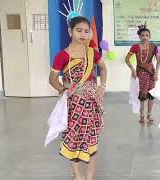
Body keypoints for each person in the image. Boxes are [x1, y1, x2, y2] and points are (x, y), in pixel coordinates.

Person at [49, 16, 107, 180]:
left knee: (92, 143)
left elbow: (103, 69)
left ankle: (88, 178)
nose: (83, 34)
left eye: (86, 31)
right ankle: (78, 177)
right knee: (73, 141)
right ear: (70, 31)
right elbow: (52, 79)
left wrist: (102, 86)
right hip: (73, 106)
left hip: (91, 105)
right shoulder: (62, 56)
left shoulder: (92, 53)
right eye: (78, 30)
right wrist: (64, 90)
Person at [125, 23, 160, 124]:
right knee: (142, 94)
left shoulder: (153, 47)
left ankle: (149, 115)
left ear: (149, 36)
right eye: (142, 35)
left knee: (151, 94)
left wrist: (156, 73)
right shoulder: (135, 47)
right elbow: (127, 59)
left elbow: (158, 60)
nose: (145, 37)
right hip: (141, 73)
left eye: (147, 35)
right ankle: (141, 114)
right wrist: (133, 70)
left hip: (151, 73)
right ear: (139, 36)